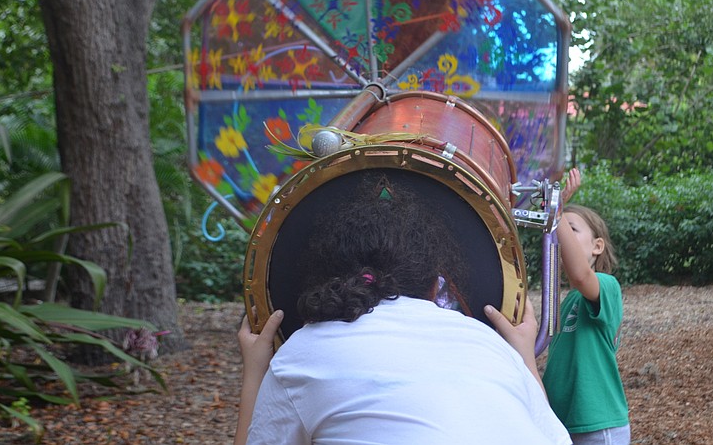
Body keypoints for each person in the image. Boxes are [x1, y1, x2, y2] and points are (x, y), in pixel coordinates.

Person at [234, 176, 571, 445]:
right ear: (434, 287)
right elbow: (555, 436)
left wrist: (255, 371)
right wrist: (524, 357)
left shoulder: (302, 354)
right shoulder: (488, 343)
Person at [542, 168, 630, 444]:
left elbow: (581, 275)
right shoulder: (567, 300)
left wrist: (557, 213)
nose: (562, 233)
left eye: (572, 228)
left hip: (597, 424)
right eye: (560, 228)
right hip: (566, 424)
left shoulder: (607, 286)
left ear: (597, 246)